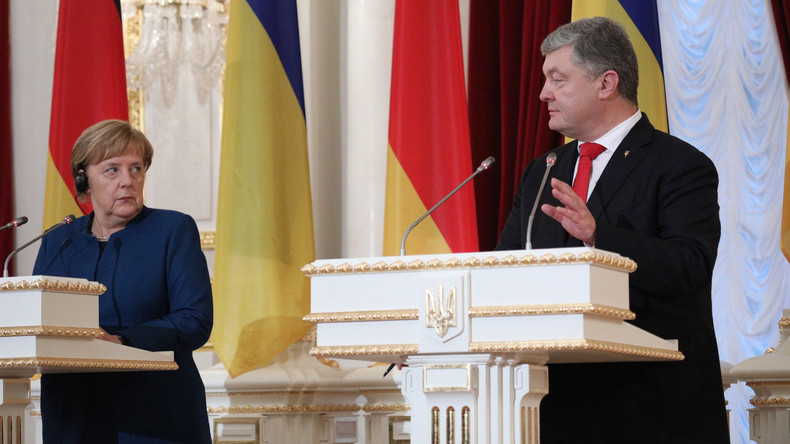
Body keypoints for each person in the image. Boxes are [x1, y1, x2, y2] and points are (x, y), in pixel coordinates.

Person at [496, 17, 729, 443]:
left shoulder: (680, 166)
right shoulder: (541, 171)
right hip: (552, 408)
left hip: (647, 408)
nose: (543, 93)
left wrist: (598, 236)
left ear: (606, 84)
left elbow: (690, 266)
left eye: (557, 79)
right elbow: (504, 270)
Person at [33, 119, 213, 443]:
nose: (127, 181)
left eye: (136, 169)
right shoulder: (59, 241)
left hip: (154, 416)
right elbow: (37, 319)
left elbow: (194, 320)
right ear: (83, 179)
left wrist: (122, 341)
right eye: (112, 170)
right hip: (72, 416)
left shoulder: (172, 231)